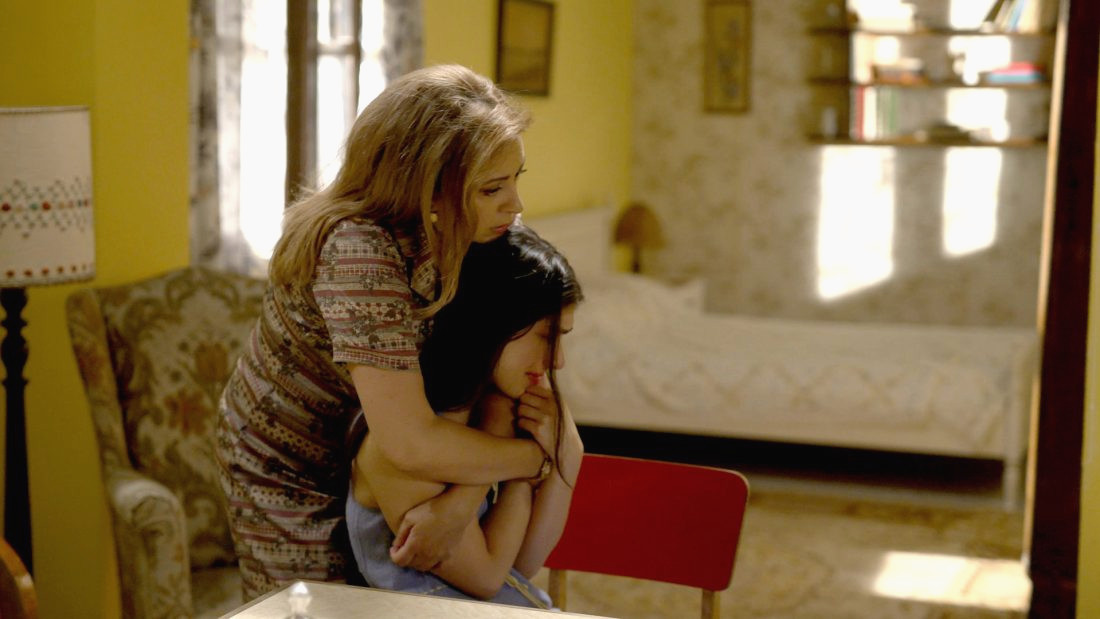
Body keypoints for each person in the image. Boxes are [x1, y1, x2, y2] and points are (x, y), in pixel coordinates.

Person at [216, 64, 554, 600]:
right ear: (426, 192)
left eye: (517, 178)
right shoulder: (357, 252)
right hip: (292, 471)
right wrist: (535, 459)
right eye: (492, 188)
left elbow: (492, 368)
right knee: (317, 610)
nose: (516, 207)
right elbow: (410, 441)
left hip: (378, 454)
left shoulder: (479, 229)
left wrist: (460, 503)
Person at [345, 225, 585, 608]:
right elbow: (487, 578)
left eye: (562, 337)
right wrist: (526, 463)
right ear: (492, 323)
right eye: (545, 335)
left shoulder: (486, 414)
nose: (558, 361)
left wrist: (569, 452)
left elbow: (521, 568)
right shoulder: (398, 448)